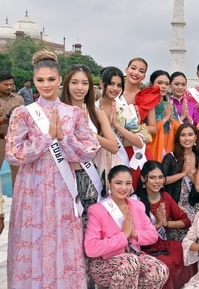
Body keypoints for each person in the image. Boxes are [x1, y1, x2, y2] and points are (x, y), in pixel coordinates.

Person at [6, 51, 100, 288]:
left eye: (51, 79)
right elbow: (13, 154)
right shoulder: (23, 114)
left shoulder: (74, 113)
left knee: (62, 239)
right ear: (33, 81)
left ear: (60, 80)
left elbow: (90, 148)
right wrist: (46, 139)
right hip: (32, 189)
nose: (46, 84)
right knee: (32, 238)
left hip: (62, 189)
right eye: (40, 80)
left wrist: (64, 141)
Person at [60, 64, 119, 288]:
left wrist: (88, 130)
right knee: (65, 234)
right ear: (66, 84)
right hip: (63, 180)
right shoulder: (58, 111)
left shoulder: (96, 113)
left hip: (87, 180)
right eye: (74, 82)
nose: (79, 87)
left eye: (85, 83)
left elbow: (112, 145)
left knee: (87, 234)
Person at [84, 165, 168, 288]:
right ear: (109, 183)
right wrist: (123, 236)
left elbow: (153, 236)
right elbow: (91, 249)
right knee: (130, 263)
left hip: (134, 257)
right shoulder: (97, 210)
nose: (124, 188)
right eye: (118, 183)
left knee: (159, 270)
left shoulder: (137, 206)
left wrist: (134, 233)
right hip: (104, 263)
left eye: (128, 183)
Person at [135, 161, 193, 289]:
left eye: (160, 177)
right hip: (144, 249)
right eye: (152, 177)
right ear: (143, 178)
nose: (157, 181)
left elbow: (186, 221)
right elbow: (134, 234)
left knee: (186, 250)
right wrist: (157, 225)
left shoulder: (165, 197)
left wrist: (166, 223)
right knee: (166, 263)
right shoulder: (135, 201)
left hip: (163, 244)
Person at [121, 57, 159, 189]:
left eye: (141, 71)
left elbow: (153, 128)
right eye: (133, 68)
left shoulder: (147, 96)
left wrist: (131, 129)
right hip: (115, 149)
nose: (136, 72)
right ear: (126, 69)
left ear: (144, 76)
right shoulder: (113, 93)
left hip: (136, 151)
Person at [162, 123, 199, 238]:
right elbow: (161, 181)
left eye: (190, 135)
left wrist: (189, 174)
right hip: (175, 206)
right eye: (183, 135)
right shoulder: (170, 158)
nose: (187, 138)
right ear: (178, 138)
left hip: (195, 204)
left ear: (195, 137)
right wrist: (182, 174)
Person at [0, 70, 24, 186]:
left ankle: (17, 202)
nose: (9, 87)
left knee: (18, 174)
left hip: (15, 141)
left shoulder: (18, 99)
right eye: (6, 85)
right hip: (0, 139)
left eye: (11, 84)